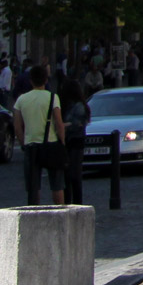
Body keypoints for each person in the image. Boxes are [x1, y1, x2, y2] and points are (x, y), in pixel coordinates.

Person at [11, 68, 66, 205]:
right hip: (51, 143)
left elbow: (17, 127)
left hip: (31, 145)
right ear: (46, 80)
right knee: (57, 184)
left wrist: (23, 143)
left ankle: (35, 213)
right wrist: (62, 141)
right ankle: (60, 212)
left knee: (33, 186)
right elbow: (59, 123)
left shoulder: (21, 100)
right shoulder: (53, 97)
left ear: (31, 81)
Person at [60, 77, 90, 206]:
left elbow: (74, 124)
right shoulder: (77, 105)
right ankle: (74, 202)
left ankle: (75, 203)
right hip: (74, 141)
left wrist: (62, 126)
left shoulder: (76, 107)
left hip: (74, 141)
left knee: (73, 175)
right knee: (70, 176)